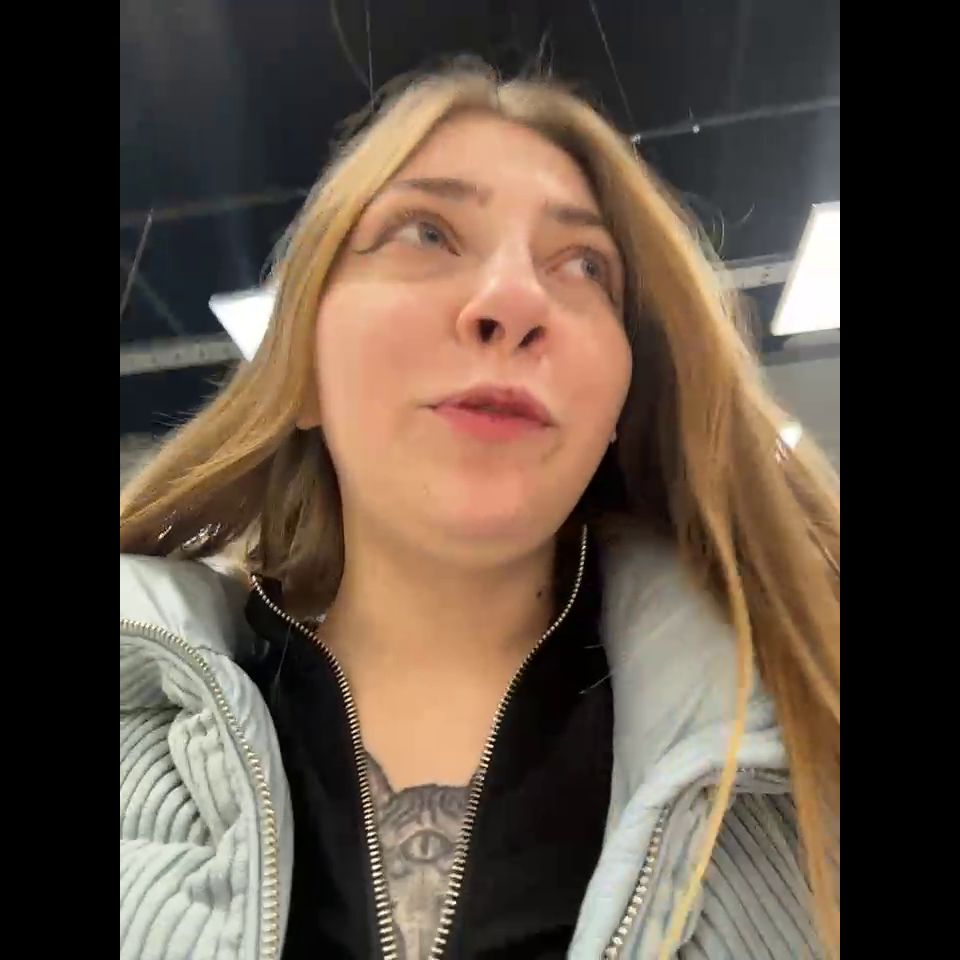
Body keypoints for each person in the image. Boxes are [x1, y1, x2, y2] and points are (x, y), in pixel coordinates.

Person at [120, 60, 839, 960]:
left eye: (584, 265)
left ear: (623, 399)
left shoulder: (809, 725)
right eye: (425, 232)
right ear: (300, 368)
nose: (514, 299)